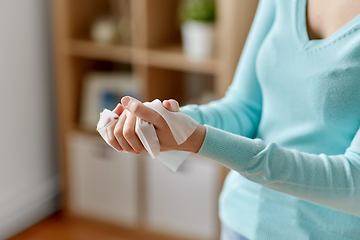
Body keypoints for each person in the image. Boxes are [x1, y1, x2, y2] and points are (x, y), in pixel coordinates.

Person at [104, 0, 360, 239]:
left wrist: (198, 138)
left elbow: (354, 182)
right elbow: (244, 107)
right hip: (240, 220)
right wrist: (168, 119)